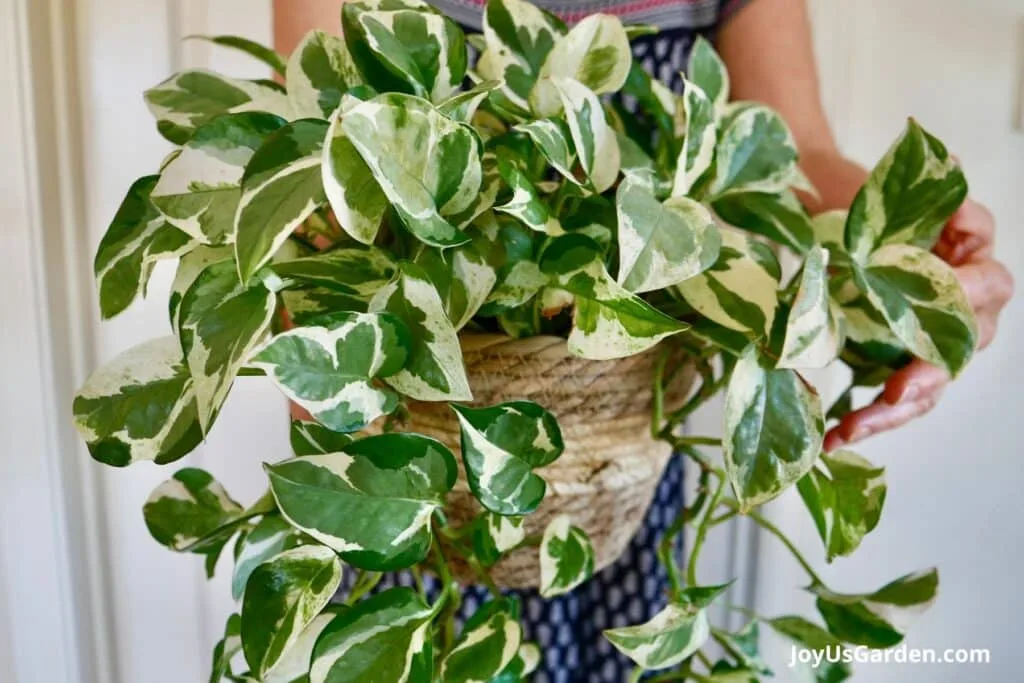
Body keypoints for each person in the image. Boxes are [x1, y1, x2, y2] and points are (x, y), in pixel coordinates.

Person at [274, 1, 1014, 680]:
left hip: (619, 468)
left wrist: (907, 261)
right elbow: (328, 146)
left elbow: (791, 154)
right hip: (426, 470)